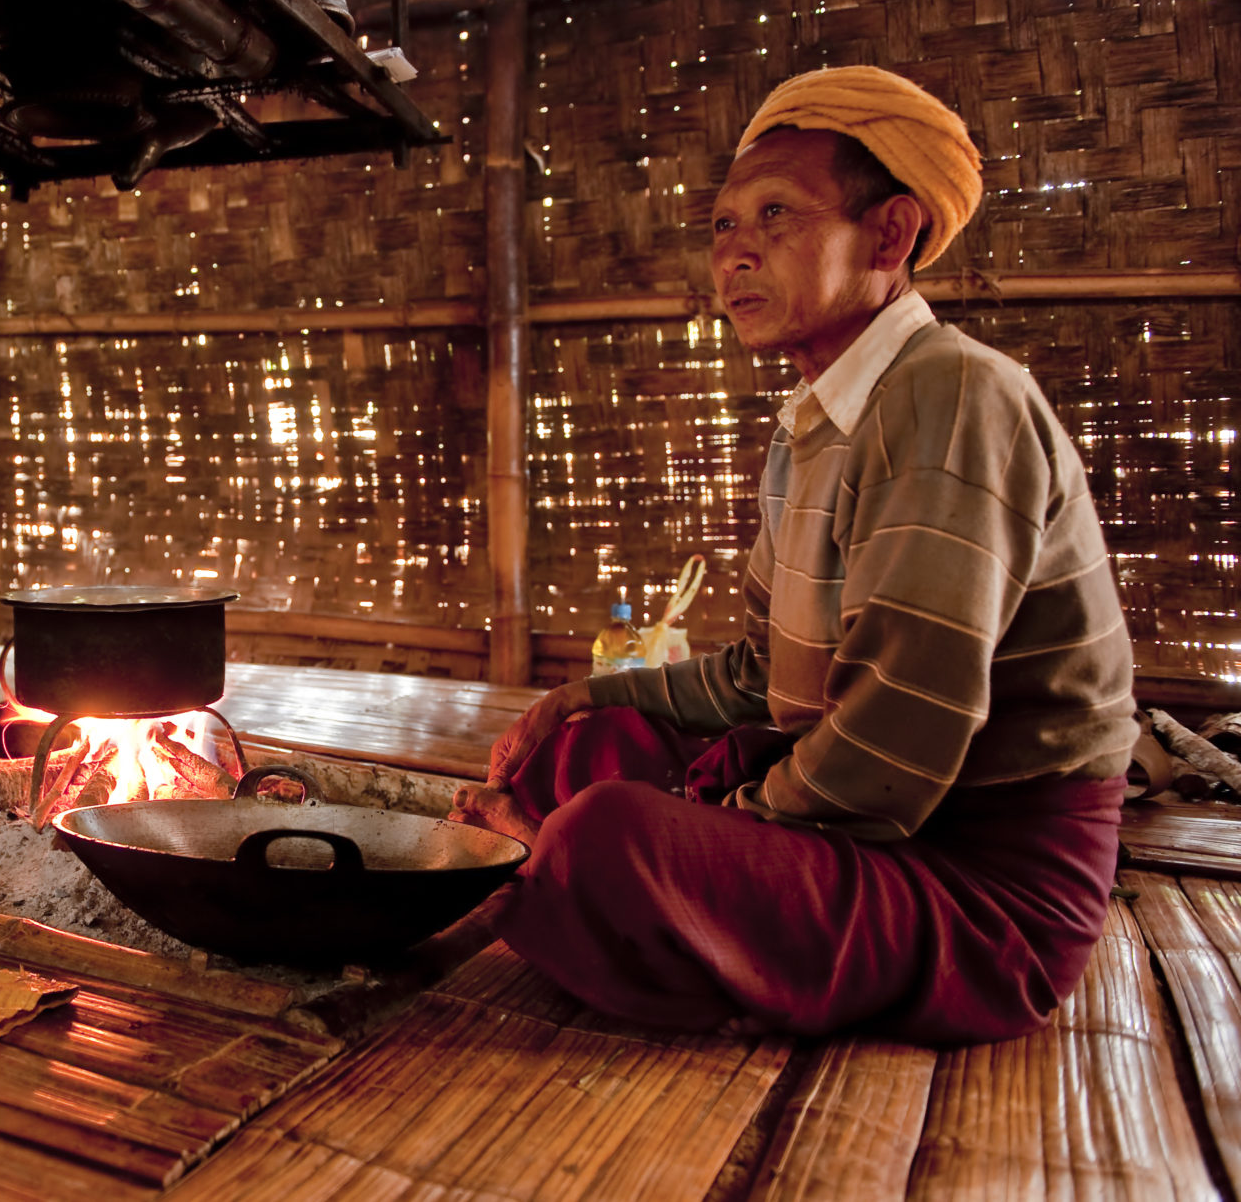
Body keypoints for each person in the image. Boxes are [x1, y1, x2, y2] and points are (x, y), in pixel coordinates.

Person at [451, 66, 1138, 1044]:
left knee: (605, 836)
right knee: (589, 752)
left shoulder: (952, 393)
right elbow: (760, 676)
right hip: (881, 829)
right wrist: (581, 700)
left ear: (888, 236)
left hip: (980, 891)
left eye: (773, 214)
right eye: (723, 225)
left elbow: (895, 740)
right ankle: (566, 877)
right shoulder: (811, 421)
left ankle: (559, 879)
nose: (732, 254)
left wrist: (718, 815)